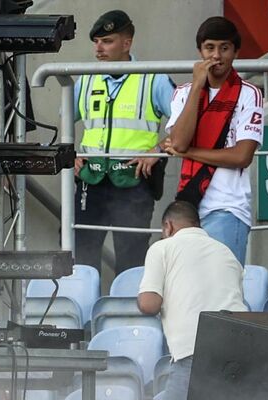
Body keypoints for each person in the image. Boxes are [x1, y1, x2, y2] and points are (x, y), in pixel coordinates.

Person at [74, 10, 175, 276]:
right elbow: (62, 123)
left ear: (127, 43)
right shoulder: (84, 79)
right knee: (80, 256)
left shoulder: (153, 78)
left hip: (133, 181)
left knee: (132, 258)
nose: (98, 48)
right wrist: (69, 154)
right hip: (91, 179)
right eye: (96, 41)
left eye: (106, 41)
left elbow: (186, 126)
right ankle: (81, 315)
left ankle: (130, 316)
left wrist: (159, 150)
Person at [137, 201, 246, 400]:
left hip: (194, 351)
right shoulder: (225, 251)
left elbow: (148, 304)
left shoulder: (163, 247)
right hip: (239, 351)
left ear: (168, 226)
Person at [165, 16, 264, 265]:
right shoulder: (184, 92)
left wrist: (188, 152)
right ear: (200, 51)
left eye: (224, 48)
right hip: (188, 205)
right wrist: (198, 85)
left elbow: (242, 157)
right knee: (186, 287)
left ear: (236, 52)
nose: (217, 56)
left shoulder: (250, 93)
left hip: (228, 208)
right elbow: (178, 142)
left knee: (224, 291)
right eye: (210, 48)